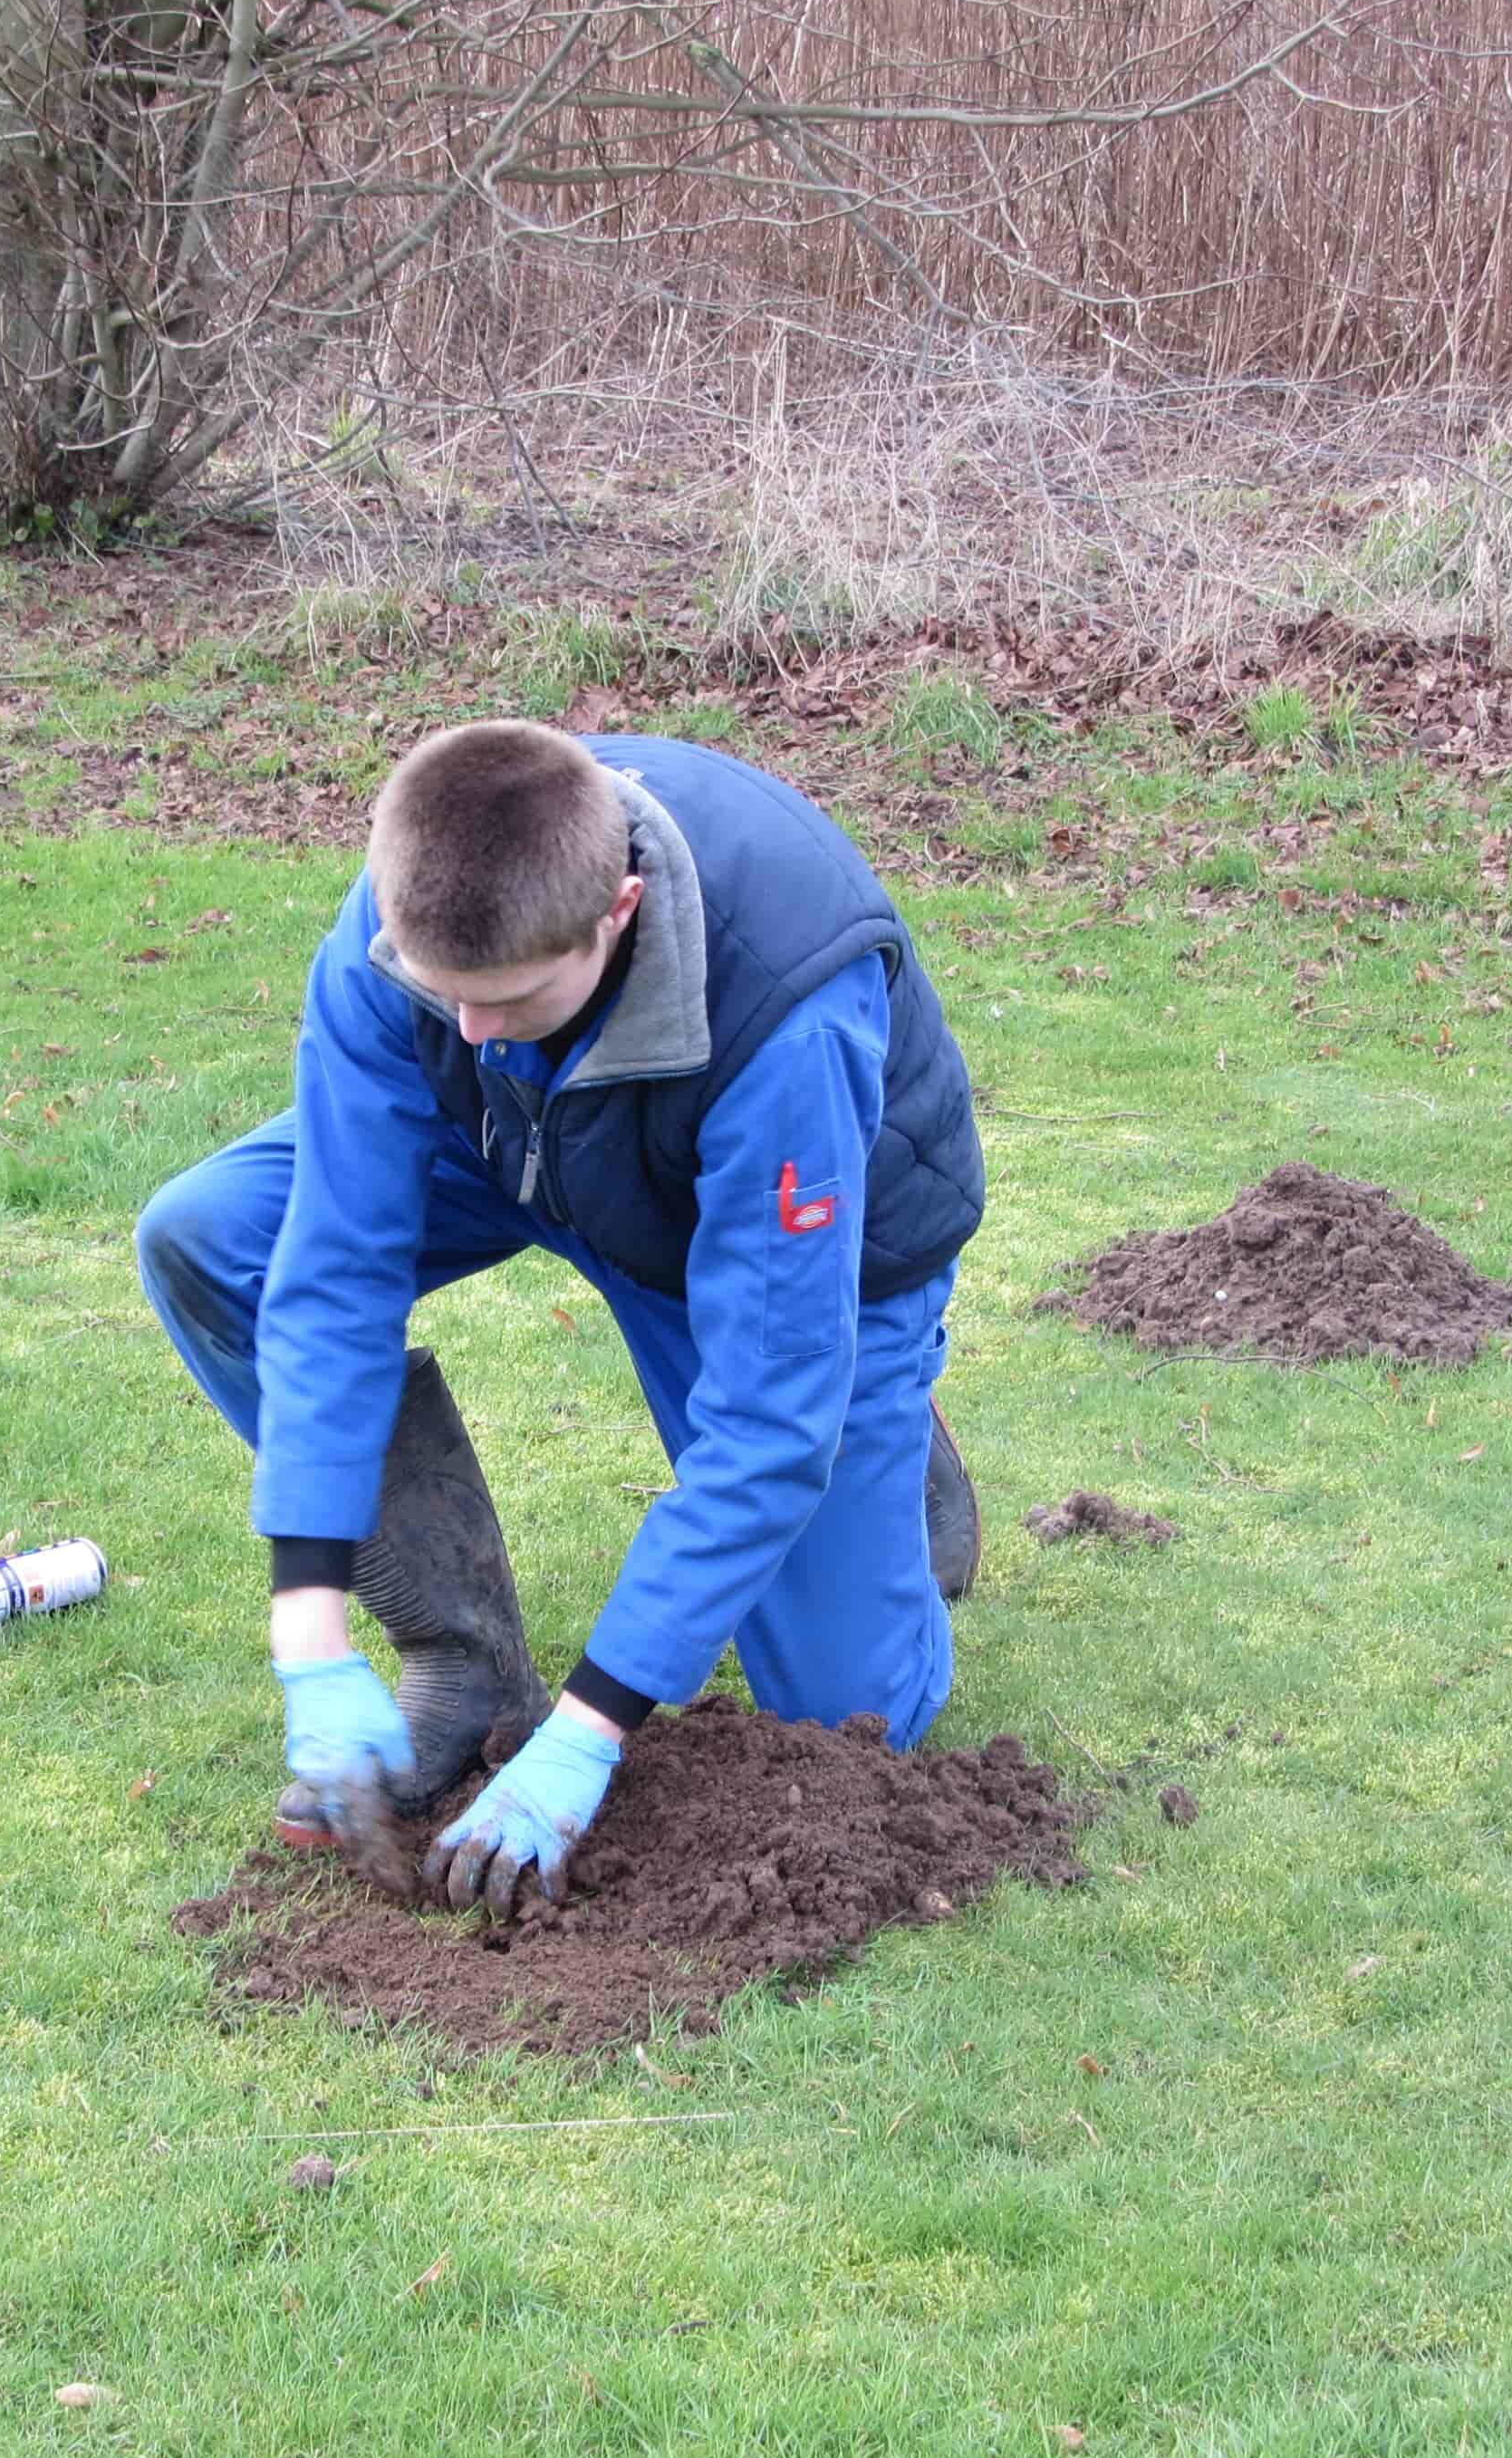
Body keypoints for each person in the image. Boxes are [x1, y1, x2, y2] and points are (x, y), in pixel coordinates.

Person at [133, 722, 986, 1921]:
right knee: (213, 1239)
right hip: (515, 1148)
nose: (470, 1031)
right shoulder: (405, 926)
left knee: (849, 1718)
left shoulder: (786, 999)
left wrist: (590, 1735)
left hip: (767, 1237)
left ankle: (885, 1434)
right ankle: (466, 1667)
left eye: (511, 997)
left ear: (617, 910)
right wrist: (311, 1623)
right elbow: (334, 1279)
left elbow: (767, 1424)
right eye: (448, 1000)